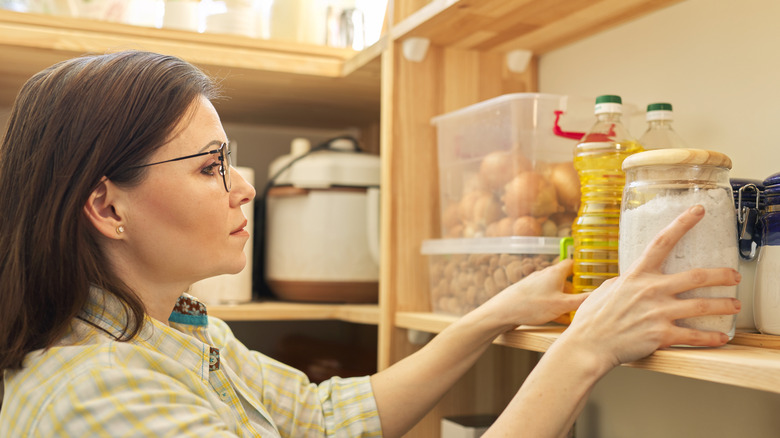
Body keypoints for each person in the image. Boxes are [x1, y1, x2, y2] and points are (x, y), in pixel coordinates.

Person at [0, 50, 741, 437]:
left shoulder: (178, 330)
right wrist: (585, 350)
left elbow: (327, 419)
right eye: (208, 167)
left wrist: (490, 315)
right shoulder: (96, 394)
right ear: (105, 205)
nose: (243, 187)